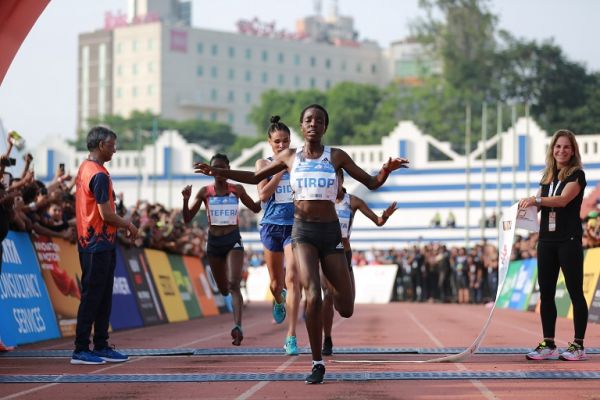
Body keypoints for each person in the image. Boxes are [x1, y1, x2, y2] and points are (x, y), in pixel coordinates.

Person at [194, 104, 408, 384]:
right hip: (302, 232)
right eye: (308, 120)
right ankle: (317, 362)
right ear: (302, 125)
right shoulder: (290, 157)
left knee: (346, 307)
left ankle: (327, 328)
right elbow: (255, 178)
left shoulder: (337, 156)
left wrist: (385, 170)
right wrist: (220, 173)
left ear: (325, 127)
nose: (313, 124)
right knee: (312, 294)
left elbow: (371, 182)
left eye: (319, 120)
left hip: (330, 232)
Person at [518, 129, 588, 362]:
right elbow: (536, 206)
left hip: (568, 241)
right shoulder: (547, 177)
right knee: (546, 294)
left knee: (575, 292)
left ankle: (578, 345)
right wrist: (517, 212)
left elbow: (562, 200)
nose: (561, 150)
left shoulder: (577, 175)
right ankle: (548, 343)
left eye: (566, 147)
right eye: (558, 147)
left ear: (573, 150)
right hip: (546, 242)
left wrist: (535, 200)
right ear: (552, 150)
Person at [72, 126, 138, 365]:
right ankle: (81, 348)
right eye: (112, 145)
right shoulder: (97, 174)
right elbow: (106, 214)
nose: (115, 150)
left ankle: (100, 344)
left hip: (100, 243)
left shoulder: (86, 169)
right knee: (92, 296)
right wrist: (129, 225)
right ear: (101, 145)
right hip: (95, 243)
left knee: (101, 296)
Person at [182, 153, 261, 346]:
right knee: (224, 289)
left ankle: (238, 326)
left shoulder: (237, 189)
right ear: (210, 171)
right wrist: (185, 199)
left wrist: (269, 195)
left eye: (221, 167)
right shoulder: (204, 192)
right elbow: (186, 219)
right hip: (214, 243)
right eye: (214, 167)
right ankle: (230, 303)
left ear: (228, 168)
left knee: (234, 284)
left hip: (233, 239)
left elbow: (256, 208)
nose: (218, 171)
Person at [321, 169, 397, 356]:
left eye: (335, 180)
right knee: (328, 294)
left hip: (344, 256)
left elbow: (378, 221)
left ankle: (339, 304)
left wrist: (385, 215)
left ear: (341, 180)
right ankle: (327, 339)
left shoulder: (353, 202)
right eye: (328, 181)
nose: (332, 185)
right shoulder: (321, 202)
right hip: (326, 254)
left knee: (346, 310)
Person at [255, 116, 301, 356]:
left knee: (293, 277)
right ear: (269, 142)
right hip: (271, 226)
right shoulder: (263, 163)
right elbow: (262, 194)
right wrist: (280, 171)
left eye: (285, 141)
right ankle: (278, 299)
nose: (281, 146)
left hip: (294, 227)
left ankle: (291, 337)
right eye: (277, 142)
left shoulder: (298, 162)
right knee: (276, 283)